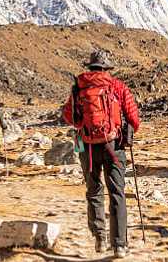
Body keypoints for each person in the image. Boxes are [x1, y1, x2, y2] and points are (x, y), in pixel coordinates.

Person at [62, 51, 140, 258]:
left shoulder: (79, 87)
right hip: (113, 146)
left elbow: (68, 116)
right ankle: (120, 245)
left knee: (94, 190)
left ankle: (99, 237)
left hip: (87, 147)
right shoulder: (118, 86)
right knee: (117, 192)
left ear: (90, 67)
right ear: (106, 68)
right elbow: (134, 117)